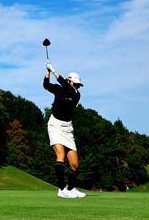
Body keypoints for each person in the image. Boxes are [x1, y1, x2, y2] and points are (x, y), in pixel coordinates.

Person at [43, 62, 85, 198]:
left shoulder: (76, 94)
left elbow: (66, 86)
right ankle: (61, 190)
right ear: (69, 81)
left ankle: (71, 188)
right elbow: (46, 85)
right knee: (60, 156)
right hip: (55, 125)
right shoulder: (59, 89)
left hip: (67, 128)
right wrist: (48, 72)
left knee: (74, 164)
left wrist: (53, 69)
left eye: (78, 85)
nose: (77, 87)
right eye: (75, 84)